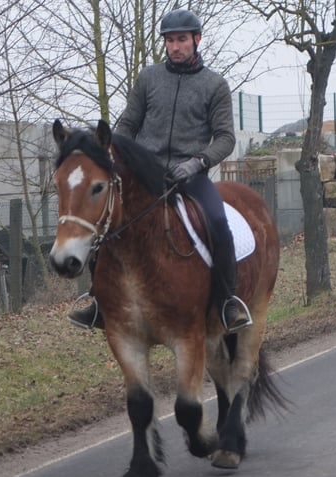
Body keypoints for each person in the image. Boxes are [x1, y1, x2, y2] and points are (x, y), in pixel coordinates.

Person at [68, 8, 251, 333]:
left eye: (182, 39)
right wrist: (113, 154)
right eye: (170, 40)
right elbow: (128, 124)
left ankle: (227, 302)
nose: (175, 46)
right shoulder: (148, 79)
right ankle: (97, 301)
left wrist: (197, 163)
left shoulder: (215, 85)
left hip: (190, 177)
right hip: (143, 176)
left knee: (219, 222)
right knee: (105, 221)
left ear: (196, 40)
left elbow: (225, 138)